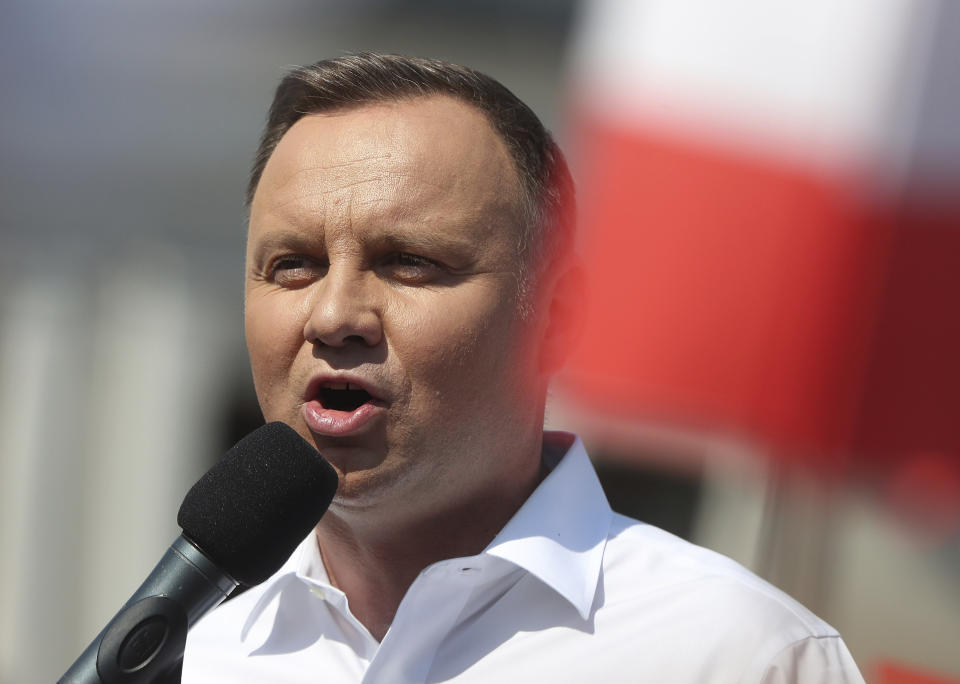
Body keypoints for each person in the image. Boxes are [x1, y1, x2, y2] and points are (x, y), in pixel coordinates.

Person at [182, 53, 864, 683]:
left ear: (558, 319)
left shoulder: (743, 654)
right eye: (293, 266)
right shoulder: (197, 657)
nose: (332, 315)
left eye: (409, 262)